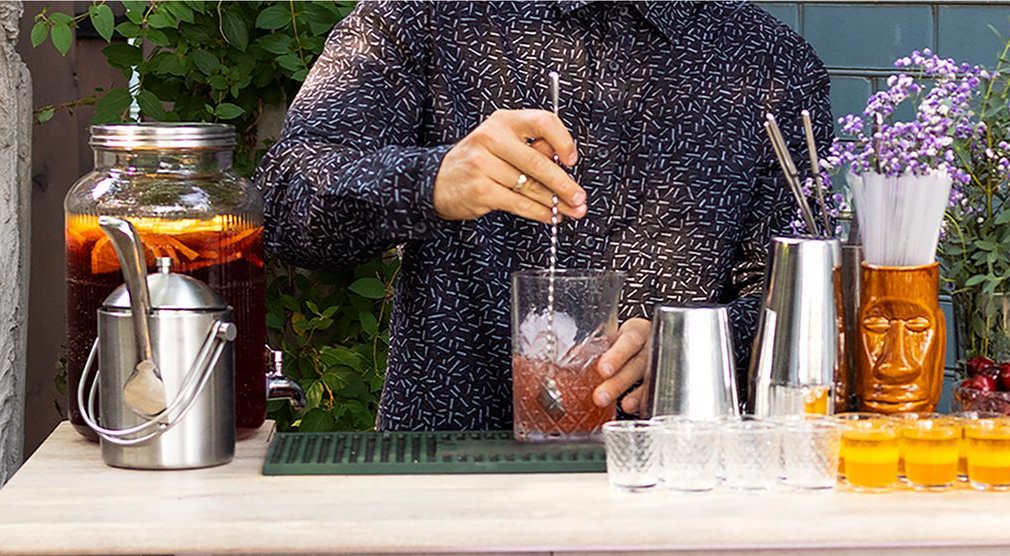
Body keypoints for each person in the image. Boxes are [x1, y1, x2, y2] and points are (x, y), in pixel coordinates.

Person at [258, 1, 831, 430]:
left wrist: (691, 342)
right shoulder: (422, 16)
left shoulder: (771, 65)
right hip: (448, 482)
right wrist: (431, 180)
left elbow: (797, 303)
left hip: (676, 490)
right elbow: (285, 200)